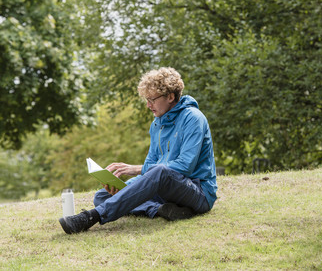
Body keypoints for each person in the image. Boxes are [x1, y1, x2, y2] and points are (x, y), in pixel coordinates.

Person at [59, 67, 218, 234]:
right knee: (102, 197)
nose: (148, 105)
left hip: (198, 192)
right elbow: (150, 166)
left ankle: (91, 217)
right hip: (166, 190)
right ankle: (160, 210)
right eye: (146, 100)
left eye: (152, 99)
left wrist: (136, 169)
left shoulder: (193, 118)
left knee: (160, 171)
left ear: (170, 97)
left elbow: (185, 166)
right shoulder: (157, 125)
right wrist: (124, 187)